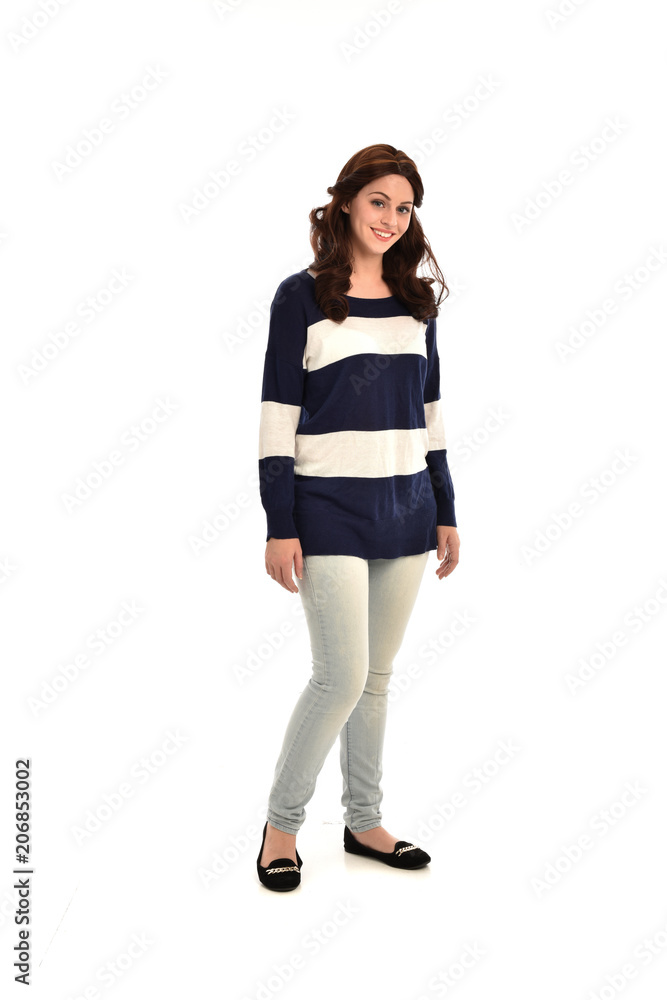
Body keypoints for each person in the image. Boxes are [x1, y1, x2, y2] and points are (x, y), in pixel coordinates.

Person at [256, 143, 460, 891]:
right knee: (338, 677)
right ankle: (282, 827)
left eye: (404, 208)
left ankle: (364, 821)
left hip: (406, 510)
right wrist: (280, 523)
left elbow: (429, 413)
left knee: (375, 678)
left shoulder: (415, 301)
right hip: (328, 510)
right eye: (379, 201)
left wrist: (445, 508)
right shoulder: (301, 297)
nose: (391, 218)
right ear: (345, 201)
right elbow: (277, 417)